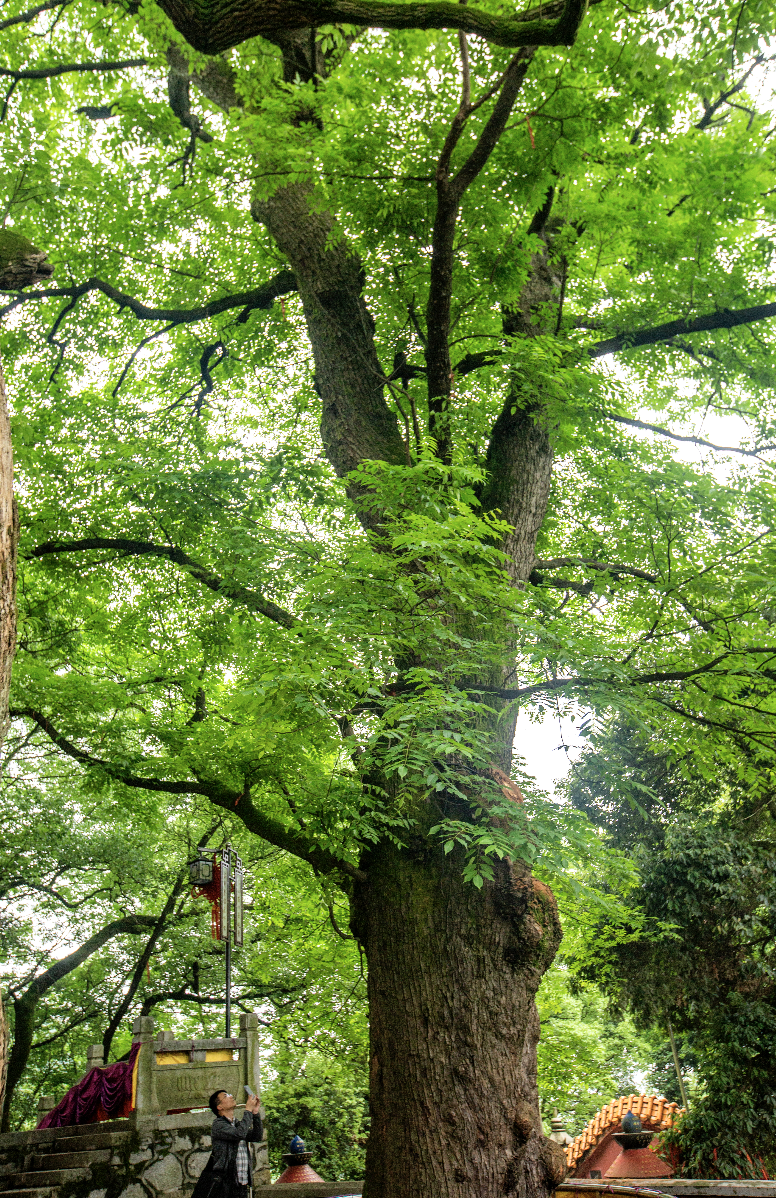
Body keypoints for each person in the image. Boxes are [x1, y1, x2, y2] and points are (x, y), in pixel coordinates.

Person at [191, 1090, 264, 1198]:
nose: (231, 1096)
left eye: (229, 1094)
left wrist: (255, 1113)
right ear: (219, 1107)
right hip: (226, 1185)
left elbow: (256, 1136)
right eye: (226, 1096)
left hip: (241, 1184)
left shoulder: (237, 1124)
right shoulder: (219, 1125)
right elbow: (240, 1134)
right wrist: (248, 1109)